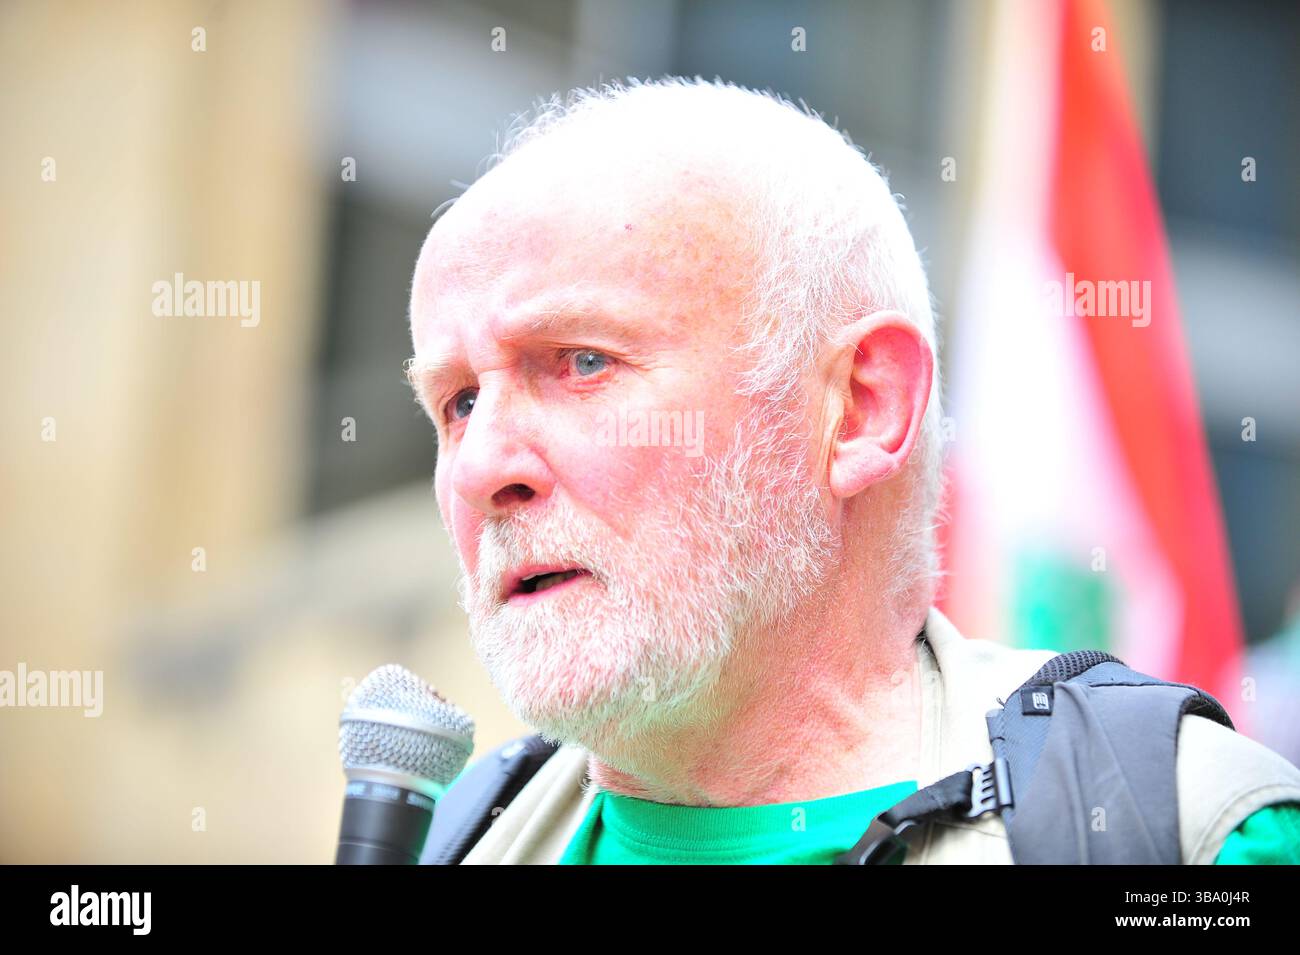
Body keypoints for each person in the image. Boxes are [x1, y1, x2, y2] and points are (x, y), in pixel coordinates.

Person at [404, 77, 1300, 864]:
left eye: (581, 362)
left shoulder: (1183, 830)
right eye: (458, 402)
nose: (481, 466)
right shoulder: (451, 836)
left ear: (862, 409)